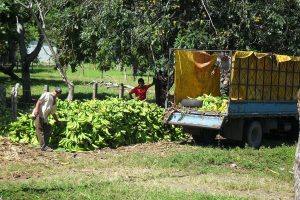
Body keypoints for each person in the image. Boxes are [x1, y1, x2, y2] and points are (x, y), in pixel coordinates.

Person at [32, 87, 62, 151]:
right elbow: (39, 101)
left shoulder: (54, 101)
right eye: (56, 92)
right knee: (40, 130)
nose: (56, 93)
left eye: (58, 93)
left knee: (47, 129)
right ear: (54, 90)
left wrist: (57, 120)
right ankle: (43, 146)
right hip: (38, 114)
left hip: (45, 117)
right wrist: (36, 110)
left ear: (59, 94)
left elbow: (53, 113)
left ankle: (46, 145)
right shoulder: (47, 94)